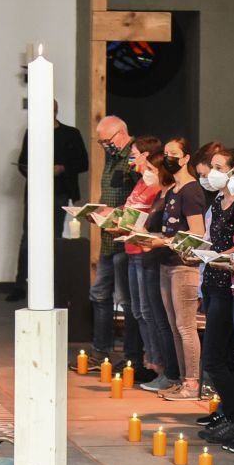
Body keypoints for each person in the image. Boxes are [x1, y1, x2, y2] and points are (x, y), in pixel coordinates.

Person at [10, 100, 90, 303]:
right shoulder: (33, 133)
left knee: (54, 237)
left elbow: (83, 162)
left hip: (61, 191)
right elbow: (22, 163)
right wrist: (33, 169)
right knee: (28, 237)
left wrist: (62, 168)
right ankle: (21, 285)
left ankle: (52, 284)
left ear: (56, 111)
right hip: (36, 191)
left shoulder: (71, 134)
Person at [196, 146, 234, 444]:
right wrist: (197, 250)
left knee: (215, 356)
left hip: (227, 282)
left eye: (219, 166)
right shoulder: (219, 200)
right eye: (211, 166)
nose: (213, 172)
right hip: (211, 279)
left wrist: (214, 254)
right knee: (225, 355)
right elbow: (212, 238)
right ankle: (229, 412)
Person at [146, 137, 207, 400]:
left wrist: (164, 241)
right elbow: (170, 228)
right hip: (167, 263)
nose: (169, 158)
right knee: (174, 326)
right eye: (166, 153)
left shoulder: (191, 190)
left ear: (185, 158)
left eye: (174, 154)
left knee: (185, 326)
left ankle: (193, 382)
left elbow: (197, 233)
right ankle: (183, 379)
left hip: (184, 266)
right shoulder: (173, 189)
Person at [89, 116, 141, 366]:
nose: (103, 146)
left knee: (127, 300)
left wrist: (115, 213)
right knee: (99, 294)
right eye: (100, 142)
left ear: (121, 134)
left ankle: (132, 356)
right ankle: (101, 351)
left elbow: (140, 201)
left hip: (125, 240)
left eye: (106, 141)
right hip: (108, 240)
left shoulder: (133, 157)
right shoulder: (111, 157)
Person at [117, 142, 168, 388]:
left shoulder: (157, 188)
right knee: (138, 311)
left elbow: (146, 219)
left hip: (145, 251)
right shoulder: (140, 183)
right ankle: (150, 360)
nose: (132, 159)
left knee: (148, 311)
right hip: (131, 248)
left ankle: (157, 363)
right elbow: (129, 211)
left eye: (136, 155)